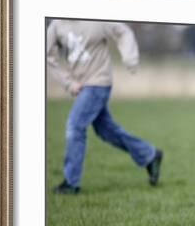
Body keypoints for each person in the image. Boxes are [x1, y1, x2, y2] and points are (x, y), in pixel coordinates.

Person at [47, 19, 163, 193]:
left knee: (75, 126)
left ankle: (71, 183)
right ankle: (149, 154)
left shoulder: (96, 19)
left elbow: (123, 32)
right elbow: (47, 56)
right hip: (80, 85)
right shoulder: (56, 25)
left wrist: (130, 59)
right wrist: (68, 83)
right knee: (106, 130)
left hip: (99, 82)